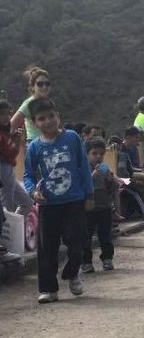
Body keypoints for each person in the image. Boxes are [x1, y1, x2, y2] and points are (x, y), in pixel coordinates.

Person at [23, 98, 93, 304]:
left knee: (77, 239)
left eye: (51, 116)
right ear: (35, 123)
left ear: (58, 116)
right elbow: (27, 175)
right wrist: (32, 193)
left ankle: (73, 272)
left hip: (74, 199)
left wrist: (89, 195)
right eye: (42, 119)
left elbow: (83, 167)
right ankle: (48, 289)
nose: (48, 121)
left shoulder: (71, 138)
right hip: (48, 203)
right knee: (47, 248)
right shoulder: (34, 148)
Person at [81, 139, 116, 273]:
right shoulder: (83, 170)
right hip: (88, 209)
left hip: (104, 207)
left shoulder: (105, 169)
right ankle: (86, 261)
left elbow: (111, 189)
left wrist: (110, 180)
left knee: (105, 235)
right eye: (94, 154)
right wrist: (92, 177)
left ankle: (107, 258)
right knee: (86, 236)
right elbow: (81, 186)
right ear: (87, 155)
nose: (98, 157)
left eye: (101, 154)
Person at [0, 100, 33, 216]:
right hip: (3, 169)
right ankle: (6, 232)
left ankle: (15, 230)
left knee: (26, 203)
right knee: (6, 207)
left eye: (8, 113)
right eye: (2, 113)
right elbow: (9, 154)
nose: (6, 117)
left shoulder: (7, 132)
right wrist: (16, 143)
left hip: (9, 169)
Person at [11, 66, 51, 143]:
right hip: (35, 145)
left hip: (49, 143)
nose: (44, 86)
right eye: (40, 84)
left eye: (47, 83)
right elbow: (11, 126)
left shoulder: (48, 102)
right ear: (32, 87)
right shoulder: (28, 104)